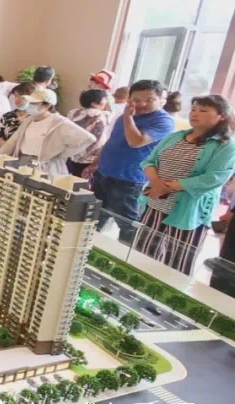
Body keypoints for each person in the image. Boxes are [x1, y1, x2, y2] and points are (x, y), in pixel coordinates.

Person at [136, 95, 235, 274]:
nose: (194, 114)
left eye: (203, 110)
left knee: (178, 261)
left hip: (189, 210)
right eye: (193, 109)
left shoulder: (226, 145)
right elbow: (149, 161)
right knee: (144, 251)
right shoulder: (175, 136)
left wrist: (169, 187)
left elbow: (215, 177)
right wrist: (156, 183)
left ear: (221, 116)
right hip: (156, 201)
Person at [94, 80, 175, 243]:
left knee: (127, 223)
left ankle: (126, 254)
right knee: (95, 217)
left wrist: (128, 117)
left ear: (161, 100)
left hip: (128, 179)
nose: (142, 104)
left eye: (150, 100)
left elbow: (135, 141)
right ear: (129, 99)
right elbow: (113, 141)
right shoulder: (126, 116)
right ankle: (89, 248)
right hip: (104, 173)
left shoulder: (163, 121)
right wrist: (95, 162)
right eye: (137, 100)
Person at [0, 88, 95, 176]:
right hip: (23, 162)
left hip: (46, 167)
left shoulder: (59, 122)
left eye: (35, 103)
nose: (30, 106)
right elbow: (12, 142)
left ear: (47, 105)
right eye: (30, 102)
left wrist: (61, 153)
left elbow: (88, 138)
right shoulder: (29, 120)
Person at [65, 89, 113, 177]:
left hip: (71, 155)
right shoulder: (102, 116)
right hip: (90, 159)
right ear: (94, 103)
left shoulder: (74, 113)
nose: (106, 101)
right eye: (105, 99)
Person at [0, 82, 37, 146]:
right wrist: (7, 147)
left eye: (22, 97)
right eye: (16, 96)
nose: (17, 99)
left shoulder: (36, 118)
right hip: (5, 150)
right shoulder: (7, 116)